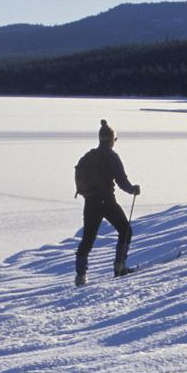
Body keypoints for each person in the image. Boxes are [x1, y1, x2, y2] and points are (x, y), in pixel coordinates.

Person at [75, 120, 141, 286]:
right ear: (111, 140)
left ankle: (80, 276)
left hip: (90, 202)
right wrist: (133, 190)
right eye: (114, 139)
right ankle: (120, 267)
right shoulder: (112, 157)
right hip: (107, 202)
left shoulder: (90, 156)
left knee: (88, 238)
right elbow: (122, 181)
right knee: (125, 230)